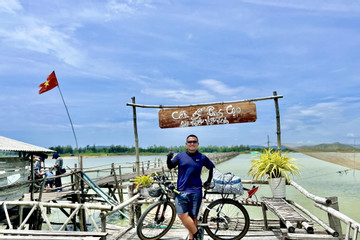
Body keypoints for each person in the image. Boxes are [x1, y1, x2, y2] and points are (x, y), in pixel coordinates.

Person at [167, 134, 214, 240]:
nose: (192, 144)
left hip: (196, 190)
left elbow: (211, 167)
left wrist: (208, 181)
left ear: (197, 144)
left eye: (194, 142)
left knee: (193, 217)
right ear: (186, 144)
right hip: (181, 190)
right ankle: (197, 234)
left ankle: (192, 238)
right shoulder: (180, 156)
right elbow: (170, 166)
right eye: (190, 142)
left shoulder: (202, 157)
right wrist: (168, 158)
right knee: (182, 215)